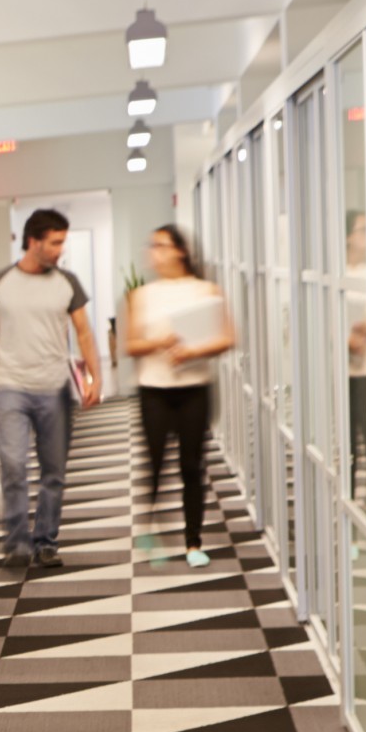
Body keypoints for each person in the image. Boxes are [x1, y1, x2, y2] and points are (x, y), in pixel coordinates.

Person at [0, 209, 104, 570]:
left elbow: (85, 333)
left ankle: (45, 541)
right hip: (10, 387)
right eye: (56, 242)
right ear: (34, 242)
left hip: (55, 388)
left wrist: (96, 377)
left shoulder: (67, 283)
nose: (61, 249)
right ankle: (16, 543)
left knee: (53, 472)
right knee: (13, 465)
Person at [124, 224, 235, 568]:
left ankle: (193, 541)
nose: (153, 252)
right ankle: (150, 529)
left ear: (180, 251)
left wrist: (191, 351)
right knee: (154, 462)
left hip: (194, 388)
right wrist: (161, 342)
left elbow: (228, 337)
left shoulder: (205, 290)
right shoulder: (141, 295)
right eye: (152, 245)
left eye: (160, 245)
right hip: (154, 390)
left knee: (192, 465)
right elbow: (130, 344)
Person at [346, 210, 366, 501]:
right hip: (345, 370)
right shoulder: (339, 274)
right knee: (348, 442)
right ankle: (349, 505)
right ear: (348, 236)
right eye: (362, 230)